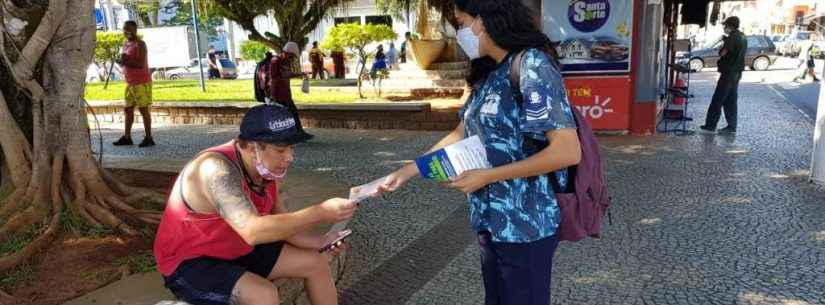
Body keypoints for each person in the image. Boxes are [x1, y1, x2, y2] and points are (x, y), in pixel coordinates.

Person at [377, 1, 581, 304]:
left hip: (526, 223)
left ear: (483, 21)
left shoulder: (532, 65)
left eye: (461, 22)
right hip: (489, 219)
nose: (460, 33)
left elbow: (567, 151)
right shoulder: (489, 73)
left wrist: (487, 176)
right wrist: (407, 172)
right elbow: (462, 133)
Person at [153, 104, 357, 305]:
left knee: (316, 262)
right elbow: (253, 231)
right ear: (252, 148)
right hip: (190, 261)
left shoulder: (266, 170)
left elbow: (281, 224)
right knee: (263, 294)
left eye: (291, 148)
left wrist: (320, 242)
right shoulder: (215, 169)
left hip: (237, 248)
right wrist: (321, 212)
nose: (289, 157)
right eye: (281, 150)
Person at [699, 16, 747, 135]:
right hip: (737, 73)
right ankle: (731, 126)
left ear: (729, 26)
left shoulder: (732, 38)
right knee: (731, 100)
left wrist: (723, 46)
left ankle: (710, 125)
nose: (724, 28)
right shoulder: (743, 36)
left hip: (728, 73)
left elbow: (723, 53)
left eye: (725, 26)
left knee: (718, 99)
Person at [113, 20, 155, 147]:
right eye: (125, 29)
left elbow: (140, 64)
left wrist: (125, 61)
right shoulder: (126, 43)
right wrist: (121, 61)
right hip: (129, 82)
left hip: (141, 82)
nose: (126, 32)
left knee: (143, 110)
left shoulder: (140, 44)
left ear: (135, 30)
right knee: (128, 109)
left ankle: (148, 138)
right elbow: (127, 60)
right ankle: (127, 137)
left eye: (129, 29)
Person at [270, 42, 313, 140]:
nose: (292, 58)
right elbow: (274, 78)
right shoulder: (275, 61)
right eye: (291, 56)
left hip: (286, 93)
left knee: (292, 112)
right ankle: (292, 134)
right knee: (282, 115)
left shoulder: (286, 62)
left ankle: (298, 133)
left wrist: (300, 74)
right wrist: (274, 95)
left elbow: (288, 74)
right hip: (277, 93)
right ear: (286, 52)